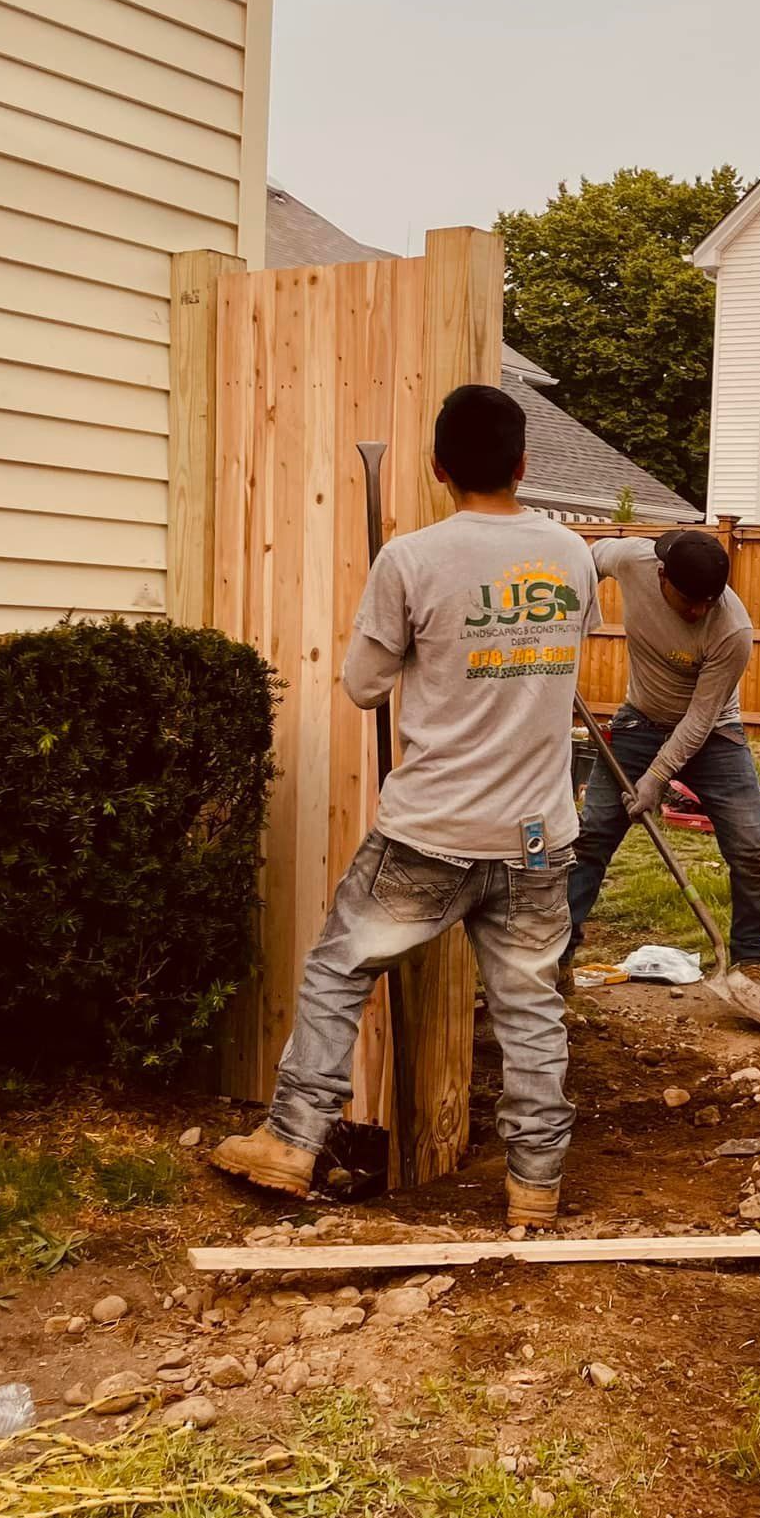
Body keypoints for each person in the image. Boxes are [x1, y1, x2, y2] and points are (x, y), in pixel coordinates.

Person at [211, 384, 598, 1232]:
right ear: (525, 464)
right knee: (531, 1009)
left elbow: (361, 688)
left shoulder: (413, 559)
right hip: (537, 840)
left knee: (339, 968)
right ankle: (535, 1188)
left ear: (437, 469)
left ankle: (292, 1137)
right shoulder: (571, 556)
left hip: (431, 834)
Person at [565, 529, 760, 983]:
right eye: (689, 600)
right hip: (640, 720)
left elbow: (699, 720)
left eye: (708, 601)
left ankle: (749, 963)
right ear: (661, 576)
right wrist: (574, 619)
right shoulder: (633, 559)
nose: (699, 611)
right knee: (593, 836)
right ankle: (558, 956)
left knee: (750, 847)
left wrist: (656, 778)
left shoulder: (732, 629)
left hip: (715, 736)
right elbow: (584, 559)